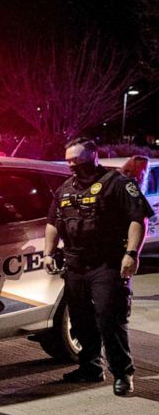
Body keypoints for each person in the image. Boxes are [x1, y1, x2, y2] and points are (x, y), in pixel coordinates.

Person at [45, 137, 154, 396]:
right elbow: (53, 222)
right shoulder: (66, 188)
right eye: (69, 161)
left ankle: (123, 374)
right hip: (74, 265)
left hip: (107, 265)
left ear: (93, 157)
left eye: (77, 160)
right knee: (81, 321)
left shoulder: (117, 184)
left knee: (109, 320)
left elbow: (138, 219)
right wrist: (49, 253)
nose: (72, 166)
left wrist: (132, 254)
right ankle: (90, 367)